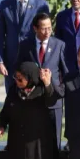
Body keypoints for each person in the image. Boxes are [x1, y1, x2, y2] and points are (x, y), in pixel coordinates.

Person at [16, 13, 68, 149]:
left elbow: (65, 72)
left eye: (49, 28)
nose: (47, 32)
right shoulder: (25, 45)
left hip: (53, 100)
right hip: (32, 101)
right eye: (43, 28)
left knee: (54, 140)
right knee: (33, 142)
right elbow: (19, 70)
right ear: (35, 28)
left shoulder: (59, 45)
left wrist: (59, 90)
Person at [0, 0, 50, 91]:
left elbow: (46, 34)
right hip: (11, 62)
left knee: (33, 100)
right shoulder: (4, 6)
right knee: (12, 101)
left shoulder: (41, 5)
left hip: (33, 60)